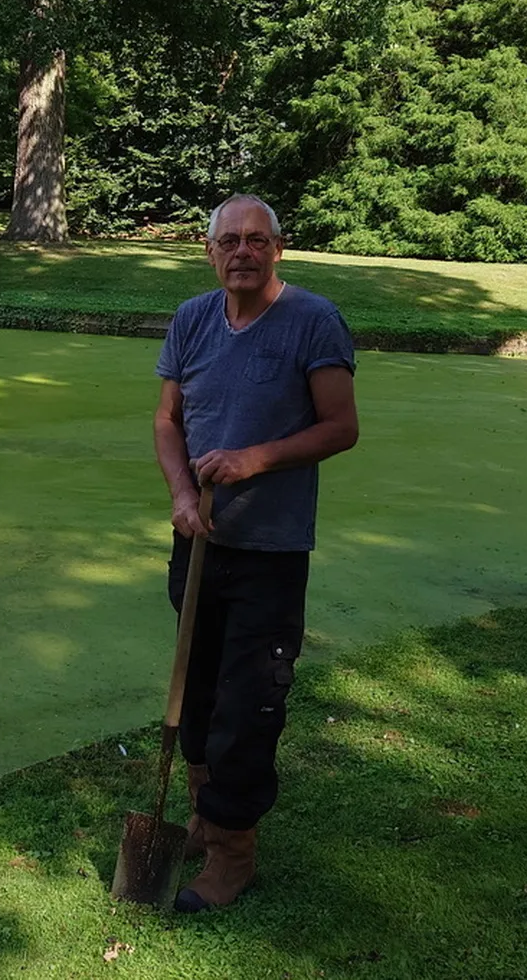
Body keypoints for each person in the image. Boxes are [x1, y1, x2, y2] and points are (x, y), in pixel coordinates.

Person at [153, 193, 359, 913]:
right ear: (209, 251)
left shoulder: (313, 321)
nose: (241, 251)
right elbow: (167, 420)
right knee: (198, 694)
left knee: (247, 704)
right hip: (199, 542)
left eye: (255, 240)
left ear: (278, 249)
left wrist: (255, 460)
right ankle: (206, 821)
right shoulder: (192, 319)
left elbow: (340, 428)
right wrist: (182, 495)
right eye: (228, 241)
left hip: (269, 551)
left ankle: (233, 857)